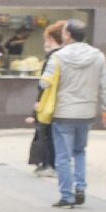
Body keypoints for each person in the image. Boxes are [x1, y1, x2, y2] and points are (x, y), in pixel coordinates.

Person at [41, 19, 106, 208]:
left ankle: (67, 196)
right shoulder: (98, 56)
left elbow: (44, 83)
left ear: (67, 35)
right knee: (80, 151)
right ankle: (80, 188)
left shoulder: (58, 57)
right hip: (86, 113)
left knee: (63, 156)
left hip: (64, 112)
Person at [28, 20, 67, 177]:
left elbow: (44, 83)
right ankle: (53, 164)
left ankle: (49, 164)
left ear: (51, 39)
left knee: (46, 133)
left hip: (49, 101)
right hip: (62, 101)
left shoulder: (53, 57)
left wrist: (38, 102)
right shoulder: (66, 56)